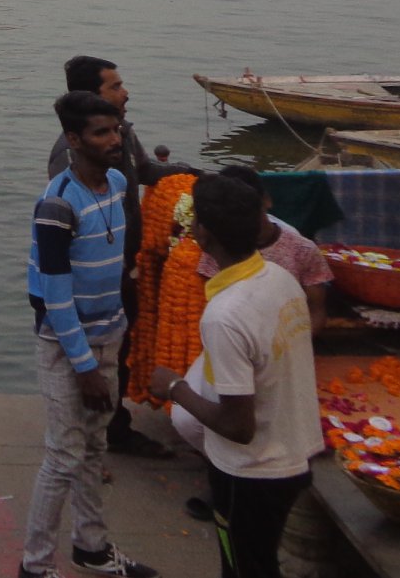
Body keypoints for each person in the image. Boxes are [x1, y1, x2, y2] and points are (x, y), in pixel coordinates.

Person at [152, 174, 322, 578]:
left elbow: (238, 426)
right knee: (258, 563)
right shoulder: (280, 279)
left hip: (251, 472)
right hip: (292, 455)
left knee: (243, 567)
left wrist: (175, 387)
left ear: (203, 233)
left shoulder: (226, 314)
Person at [22, 91, 157, 578]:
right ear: (74, 140)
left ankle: (92, 547)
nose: (115, 140)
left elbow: (114, 263)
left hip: (109, 334)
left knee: (95, 448)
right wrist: (84, 368)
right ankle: (35, 565)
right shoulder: (57, 204)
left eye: (116, 130)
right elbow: (56, 298)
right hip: (66, 346)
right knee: (63, 455)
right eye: (102, 133)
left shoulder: (117, 183)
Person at [48, 54, 197, 459]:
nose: (125, 92)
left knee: (122, 346)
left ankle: (109, 425)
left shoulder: (122, 136)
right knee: (95, 354)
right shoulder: (69, 160)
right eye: (115, 86)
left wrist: (196, 176)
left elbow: (145, 171)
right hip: (94, 277)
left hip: (123, 266)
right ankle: (103, 434)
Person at [195, 168, 330, 333]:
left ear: (266, 200)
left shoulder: (302, 250)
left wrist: (288, 342)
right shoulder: (218, 250)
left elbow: (316, 312)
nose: (242, 218)